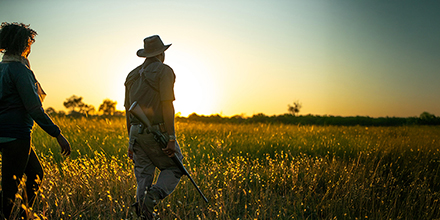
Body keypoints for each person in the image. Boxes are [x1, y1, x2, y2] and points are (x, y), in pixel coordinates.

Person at [0, 22, 71, 219]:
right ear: (24, 45)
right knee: (9, 189)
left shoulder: (2, 68)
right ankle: (12, 215)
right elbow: (34, 108)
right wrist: (57, 134)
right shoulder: (20, 71)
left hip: (5, 133)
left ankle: (24, 214)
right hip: (17, 136)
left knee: (36, 173)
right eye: (29, 43)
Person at [124, 35, 183, 219]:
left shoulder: (131, 75)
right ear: (161, 54)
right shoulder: (164, 71)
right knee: (176, 168)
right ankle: (152, 198)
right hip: (156, 131)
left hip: (136, 133)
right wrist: (171, 138)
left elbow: (128, 110)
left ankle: (145, 214)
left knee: (143, 178)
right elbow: (167, 105)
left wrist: (130, 141)